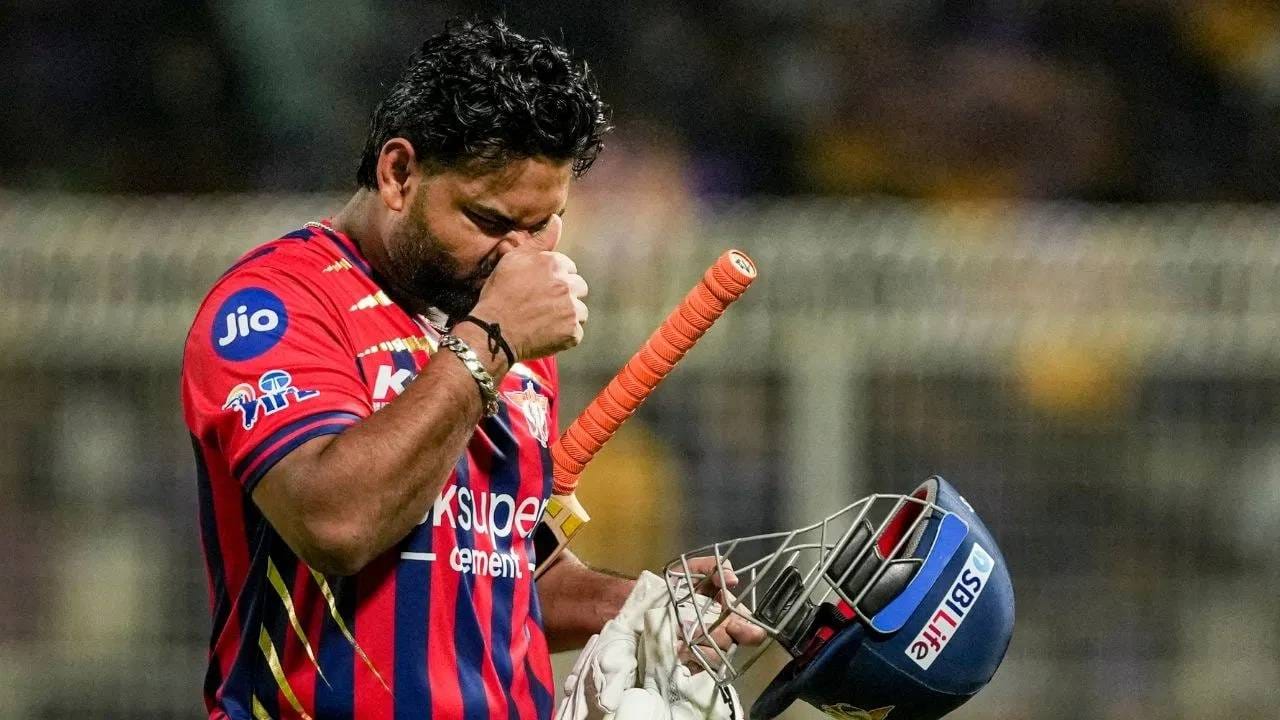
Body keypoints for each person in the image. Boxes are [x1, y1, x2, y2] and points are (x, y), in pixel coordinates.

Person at [181, 18, 760, 720]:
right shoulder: (275, 305)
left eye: (543, 223)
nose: (521, 256)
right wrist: (489, 343)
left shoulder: (495, 322)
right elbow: (335, 524)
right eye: (490, 221)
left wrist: (641, 605)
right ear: (399, 174)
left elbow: (505, 573)